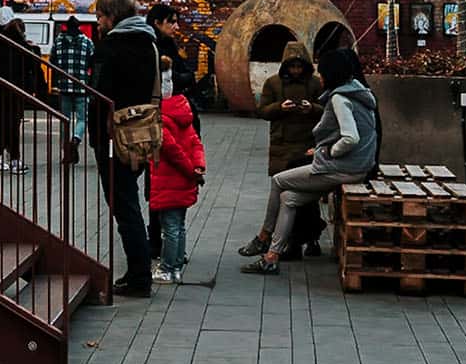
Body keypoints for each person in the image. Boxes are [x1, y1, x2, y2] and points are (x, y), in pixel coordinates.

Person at [240, 48, 379, 276]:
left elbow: (351, 137)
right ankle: (271, 257)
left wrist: (329, 152)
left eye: (322, 72)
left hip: (342, 168)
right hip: (359, 166)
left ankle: (263, 236)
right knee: (289, 198)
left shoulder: (340, 98)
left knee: (278, 181)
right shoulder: (359, 93)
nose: (320, 77)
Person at [89, 0, 161, 297]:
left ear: (112, 16)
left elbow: (99, 94)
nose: (99, 22)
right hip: (141, 133)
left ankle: (139, 276)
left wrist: (93, 138)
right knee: (130, 202)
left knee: (124, 207)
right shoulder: (150, 43)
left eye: (101, 17)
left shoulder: (111, 47)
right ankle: (139, 271)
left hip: (113, 137)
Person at [239, 40, 326, 260]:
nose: (295, 70)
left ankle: (308, 238)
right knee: (284, 195)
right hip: (282, 145)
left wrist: (311, 108)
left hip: (307, 144)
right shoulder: (273, 83)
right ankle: (291, 242)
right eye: (292, 66)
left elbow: (326, 110)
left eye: (299, 66)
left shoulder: (315, 84)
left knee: (305, 198)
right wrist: (280, 107)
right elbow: (263, 110)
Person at [0, 8, 44, 174]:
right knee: (10, 126)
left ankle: (14, 160)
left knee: (7, 126)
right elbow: (33, 66)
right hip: (15, 90)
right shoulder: (20, 45)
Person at [150, 91, 206, 283]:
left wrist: (190, 170)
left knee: (170, 228)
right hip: (185, 181)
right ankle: (176, 267)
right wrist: (198, 167)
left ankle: (167, 268)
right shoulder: (185, 118)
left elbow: (173, 152)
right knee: (179, 226)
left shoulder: (161, 122)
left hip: (169, 182)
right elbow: (196, 143)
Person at [50, 18, 95, 164]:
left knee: (65, 120)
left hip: (64, 87)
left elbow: (52, 61)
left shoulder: (58, 41)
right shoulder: (87, 42)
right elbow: (92, 62)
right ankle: (75, 140)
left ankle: (66, 153)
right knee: (82, 118)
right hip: (82, 86)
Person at [149, 2, 197, 99]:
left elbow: (183, 71)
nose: (176, 27)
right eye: (171, 22)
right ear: (157, 23)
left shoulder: (169, 44)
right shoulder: (148, 46)